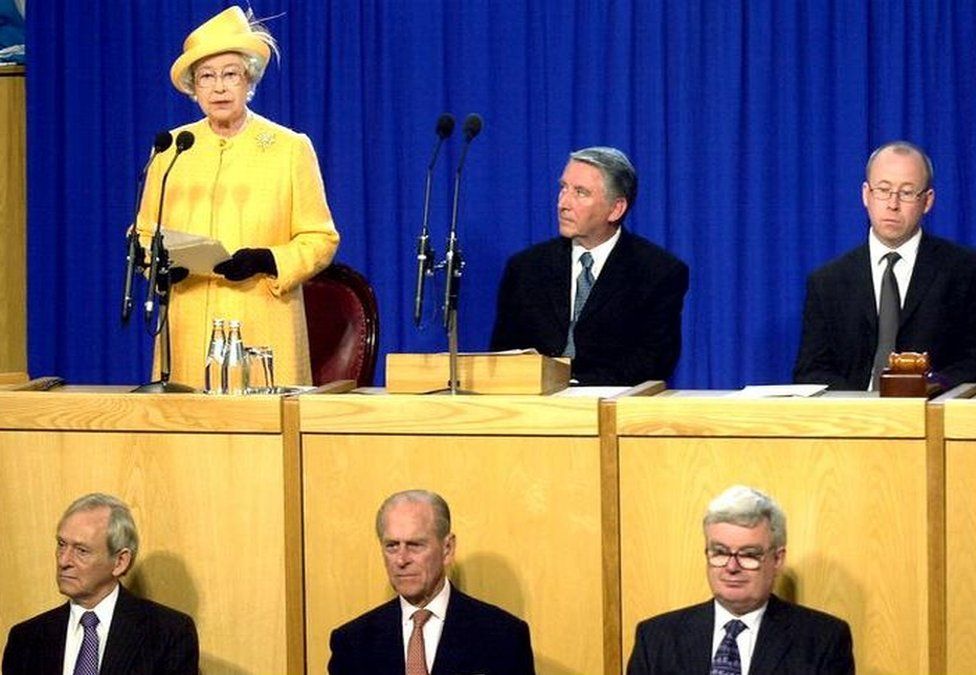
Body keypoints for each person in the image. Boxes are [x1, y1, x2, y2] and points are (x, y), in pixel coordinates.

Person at [137, 6, 339, 389]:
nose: (218, 88)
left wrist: (270, 259)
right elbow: (144, 233)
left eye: (230, 75)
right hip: (188, 332)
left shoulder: (288, 148)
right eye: (206, 77)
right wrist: (159, 265)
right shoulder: (171, 149)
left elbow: (321, 238)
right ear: (193, 89)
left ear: (250, 82)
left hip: (263, 325)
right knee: (187, 440)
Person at [490, 146, 689, 386]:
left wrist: (574, 386)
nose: (563, 203)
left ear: (616, 209)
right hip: (535, 413)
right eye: (563, 188)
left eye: (580, 192)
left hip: (613, 410)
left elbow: (653, 361)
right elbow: (503, 356)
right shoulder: (526, 268)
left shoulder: (658, 272)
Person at [794, 140, 976, 390]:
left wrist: (928, 389)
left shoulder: (964, 271)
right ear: (866, 195)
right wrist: (864, 409)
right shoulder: (827, 282)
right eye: (883, 189)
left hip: (932, 414)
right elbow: (810, 371)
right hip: (854, 421)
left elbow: (971, 361)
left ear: (927, 200)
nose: (893, 204)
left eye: (907, 192)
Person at [627, 485, 854, 675]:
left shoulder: (824, 640)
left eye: (748, 555)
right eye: (720, 552)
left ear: (777, 559)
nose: (732, 567)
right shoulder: (656, 638)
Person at [328, 490, 535, 674]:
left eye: (415, 545)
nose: (401, 560)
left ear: (447, 549)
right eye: (391, 546)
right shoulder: (351, 643)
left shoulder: (504, 636)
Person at [2, 493, 198, 674]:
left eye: (81, 550)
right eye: (61, 545)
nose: (63, 561)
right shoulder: (25, 639)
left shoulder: (169, 633)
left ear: (120, 562)